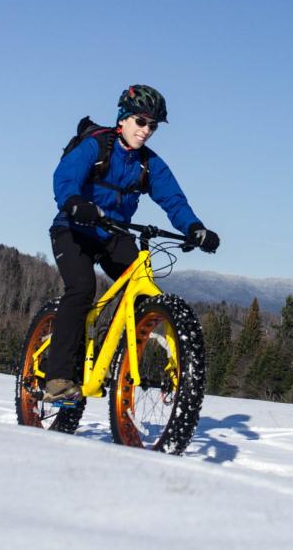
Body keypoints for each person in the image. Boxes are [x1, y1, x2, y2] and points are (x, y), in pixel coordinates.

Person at [43, 84, 219, 402]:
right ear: (122, 119)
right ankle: (56, 378)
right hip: (73, 229)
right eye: (141, 121)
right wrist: (74, 203)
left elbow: (174, 200)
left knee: (142, 291)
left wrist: (195, 228)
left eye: (153, 125)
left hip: (112, 234)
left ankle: (159, 367)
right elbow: (65, 178)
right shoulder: (95, 147)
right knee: (81, 290)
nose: (147, 130)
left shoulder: (149, 164)